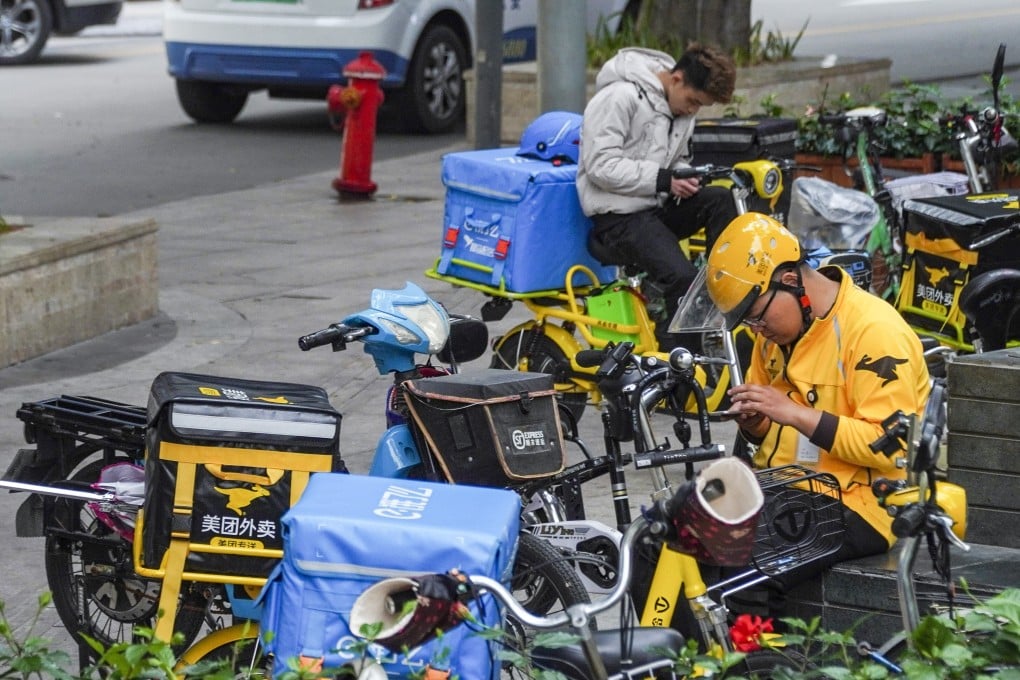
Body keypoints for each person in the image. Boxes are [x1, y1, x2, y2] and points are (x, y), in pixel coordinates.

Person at [704, 212, 931, 601]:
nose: (757, 331)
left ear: (790, 280)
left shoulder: (874, 330)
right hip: (788, 488)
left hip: (869, 503)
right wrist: (755, 424)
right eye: (748, 324)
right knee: (670, 538)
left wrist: (793, 413)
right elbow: (773, 435)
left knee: (741, 565)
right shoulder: (773, 337)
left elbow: (892, 444)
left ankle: (750, 662)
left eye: (757, 317)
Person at [576, 43, 738, 348]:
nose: (692, 110)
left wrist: (685, 176)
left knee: (720, 199)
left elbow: (675, 161)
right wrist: (665, 180)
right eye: (692, 101)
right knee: (683, 280)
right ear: (676, 78)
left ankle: (721, 288)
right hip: (616, 219)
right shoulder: (619, 97)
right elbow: (600, 166)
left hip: (654, 206)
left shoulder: (681, 109)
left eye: (700, 106)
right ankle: (676, 367)